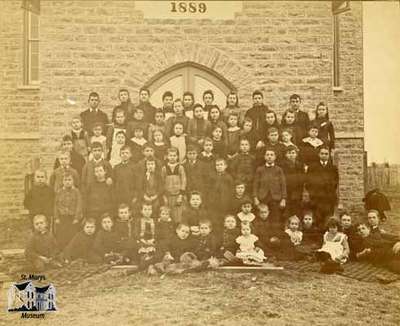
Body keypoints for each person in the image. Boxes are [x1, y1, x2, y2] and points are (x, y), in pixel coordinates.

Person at [253, 149, 287, 229]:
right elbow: (255, 184)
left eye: (271, 155)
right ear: (264, 157)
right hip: (263, 197)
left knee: (275, 218)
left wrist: (284, 199)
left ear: (275, 157)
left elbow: (283, 185)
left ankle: (274, 236)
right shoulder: (260, 169)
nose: (269, 157)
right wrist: (255, 197)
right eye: (267, 155)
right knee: (263, 217)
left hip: (275, 198)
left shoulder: (279, 170)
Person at [306, 146, 338, 229]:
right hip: (317, 199)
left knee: (328, 221)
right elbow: (308, 183)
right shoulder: (312, 167)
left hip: (328, 199)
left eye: (326, 154)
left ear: (329, 155)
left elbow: (335, 183)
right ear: (319, 154)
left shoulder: (333, 168)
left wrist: (329, 190)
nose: (324, 155)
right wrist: (313, 194)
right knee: (317, 220)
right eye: (322, 153)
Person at [54, 173, 83, 249]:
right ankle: (61, 252)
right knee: (62, 235)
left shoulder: (76, 192)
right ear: (62, 181)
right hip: (62, 217)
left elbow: (79, 205)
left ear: (73, 181)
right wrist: (56, 217)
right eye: (65, 180)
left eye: (69, 180)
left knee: (72, 235)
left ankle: (71, 251)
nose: (67, 182)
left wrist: (76, 218)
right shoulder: (59, 192)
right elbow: (55, 205)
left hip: (72, 217)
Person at [161, 147, 187, 223]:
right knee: (169, 214)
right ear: (167, 156)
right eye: (170, 155)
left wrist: (181, 195)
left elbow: (184, 180)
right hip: (168, 195)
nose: (172, 157)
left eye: (174, 155)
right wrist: (164, 195)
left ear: (177, 157)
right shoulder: (164, 168)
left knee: (178, 215)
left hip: (178, 195)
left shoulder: (180, 167)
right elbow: (162, 181)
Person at [210, 158, 234, 235]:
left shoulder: (228, 177)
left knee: (223, 220)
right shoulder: (212, 176)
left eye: (221, 165)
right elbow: (209, 189)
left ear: (225, 166)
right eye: (217, 165)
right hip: (214, 203)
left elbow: (231, 191)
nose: (219, 167)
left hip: (225, 203)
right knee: (215, 221)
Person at [280, 145, 305, 218]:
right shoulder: (282, 165)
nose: (291, 155)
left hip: (297, 191)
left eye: (293, 153)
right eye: (289, 153)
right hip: (286, 192)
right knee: (286, 212)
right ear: (285, 155)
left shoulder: (300, 165)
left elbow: (302, 179)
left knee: (297, 211)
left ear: (296, 154)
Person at [112, 145, 136, 209]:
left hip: (130, 195)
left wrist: (135, 196)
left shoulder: (135, 167)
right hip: (119, 195)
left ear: (130, 155)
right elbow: (113, 182)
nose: (124, 155)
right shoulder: (116, 167)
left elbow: (138, 183)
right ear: (120, 155)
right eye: (122, 153)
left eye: (127, 153)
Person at [136, 202, 156, 268]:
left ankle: (149, 262)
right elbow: (136, 232)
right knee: (140, 249)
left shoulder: (154, 221)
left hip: (152, 241)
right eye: (145, 209)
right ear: (141, 211)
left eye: (149, 209)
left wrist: (153, 239)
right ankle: (145, 260)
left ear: (152, 211)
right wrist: (141, 239)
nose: (147, 212)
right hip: (142, 241)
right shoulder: (139, 221)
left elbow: (157, 232)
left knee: (154, 250)